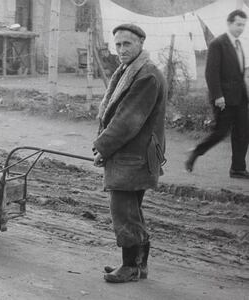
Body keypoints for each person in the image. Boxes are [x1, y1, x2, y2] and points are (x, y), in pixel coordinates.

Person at [93, 24, 167, 283]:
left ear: (141, 44)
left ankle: (130, 267)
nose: (121, 49)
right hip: (135, 153)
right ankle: (138, 264)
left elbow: (128, 120)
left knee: (123, 210)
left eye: (127, 44)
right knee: (131, 210)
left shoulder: (146, 76)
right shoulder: (130, 70)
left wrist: (102, 147)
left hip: (134, 156)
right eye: (118, 45)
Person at [185, 10, 249, 179]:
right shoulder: (217, 44)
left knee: (243, 132)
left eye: (243, 24)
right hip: (224, 99)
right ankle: (196, 152)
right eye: (238, 24)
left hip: (240, 98)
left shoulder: (239, 44)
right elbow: (211, 73)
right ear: (229, 24)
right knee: (221, 132)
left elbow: (239, 73)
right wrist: (218, 96)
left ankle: (238, 169)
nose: (241, 28)